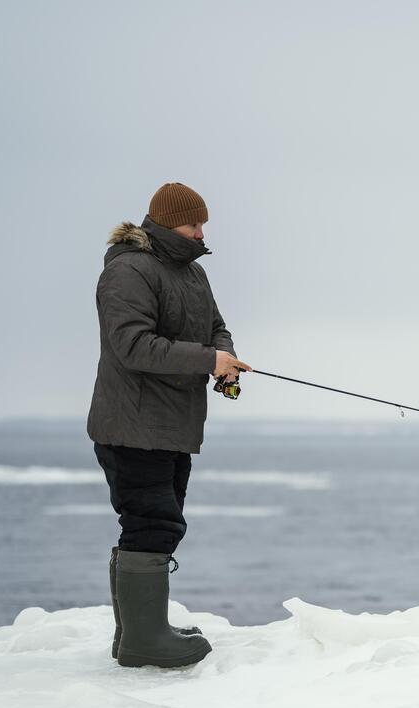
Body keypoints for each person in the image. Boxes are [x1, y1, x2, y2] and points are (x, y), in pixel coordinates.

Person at [87, 182, 251, 668]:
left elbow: (216, 326)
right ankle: (143, 641)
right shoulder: (128, 271)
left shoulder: (192, 273)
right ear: (161, 222)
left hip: (172, 425)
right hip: (132, 426)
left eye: (203, 224)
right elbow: (132, 346)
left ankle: (137, 631)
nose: (200, 232)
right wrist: (208, 358)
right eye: (192, 224)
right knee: (153, 523)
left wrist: (223, 354)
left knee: (157, 522)